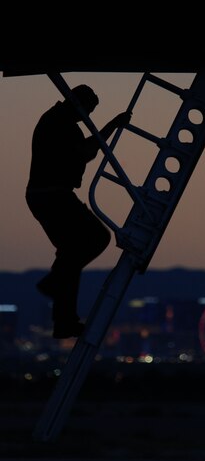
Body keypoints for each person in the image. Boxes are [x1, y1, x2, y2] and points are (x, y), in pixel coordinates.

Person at [25, 84, 132, 339]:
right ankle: (56, 290)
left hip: (46, 196)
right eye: (88, 111)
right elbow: (85, 152)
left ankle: (63, 318)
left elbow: (82, 151)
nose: (87, 118)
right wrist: (112, 125)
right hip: (54, 196)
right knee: (96, 238)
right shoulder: (61, 124)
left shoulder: (55, 121)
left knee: (70, 256)